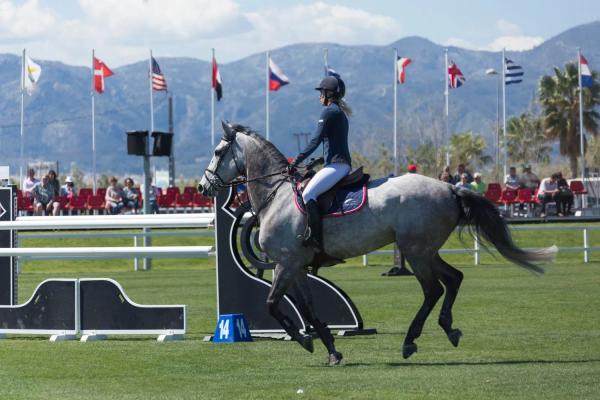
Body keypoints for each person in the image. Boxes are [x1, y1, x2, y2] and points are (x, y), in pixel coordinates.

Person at [289, 76, 352, 251]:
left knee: (308, 193)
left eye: (321, 93)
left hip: (337, 165)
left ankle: (315, 238)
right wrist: (316, 162)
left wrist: (296, 161)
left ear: (328, 93)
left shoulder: (330, 112)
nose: (319, 97)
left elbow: (315, 141)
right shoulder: (339, 112)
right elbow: (334, 145)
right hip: (337, 163)